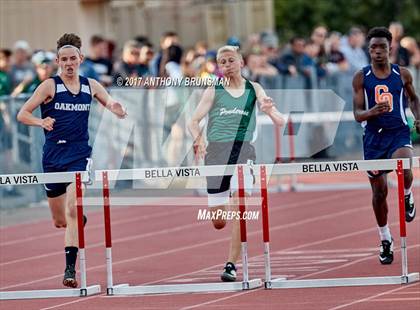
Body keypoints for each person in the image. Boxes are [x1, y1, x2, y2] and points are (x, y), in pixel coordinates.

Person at [17, 33, 127, 287]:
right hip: (53, 156)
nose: (69, 63)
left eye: (73, 59)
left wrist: (117, 108)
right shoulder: (49, 86)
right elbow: (22, 114)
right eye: (64, 59)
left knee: (72, 208)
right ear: (57, 61)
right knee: (60, 220)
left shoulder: (90, 85)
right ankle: (77, 222)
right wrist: (40, 121)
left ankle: (69, 270)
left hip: (79, 155)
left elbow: (110, 101)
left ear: (81, 59)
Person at [188, 45, 285, 282]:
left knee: (239, 209)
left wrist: (269, 111)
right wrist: (198, 138)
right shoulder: (214, 89)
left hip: (243, 152)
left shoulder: (254, 88)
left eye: (231, 60)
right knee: (219, 221)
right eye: (222, 62)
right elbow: (193, 120)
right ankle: (230, 208)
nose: (227, 65)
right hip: (216, 154)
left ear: (241, 62)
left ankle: (230, 265)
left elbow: (280, 121)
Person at [353, 27, 420, 265]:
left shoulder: (402, 74)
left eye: (381, 47)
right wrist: (371, 112)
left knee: (405, 166)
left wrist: (418, 117)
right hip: (373, 138)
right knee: (379, 192)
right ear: (368, 50)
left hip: (398, 132)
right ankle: (385, 238)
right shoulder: (362, 77)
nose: (377, 51)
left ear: (389, 48)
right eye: (373, 48)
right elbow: (357, 114)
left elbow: (413, 98)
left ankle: (407, 194)